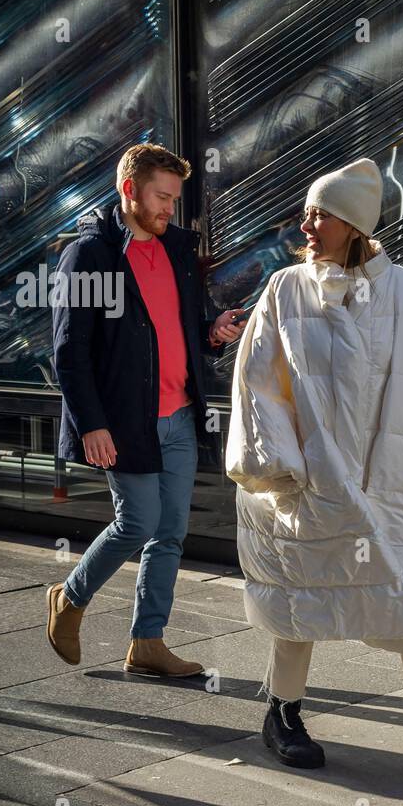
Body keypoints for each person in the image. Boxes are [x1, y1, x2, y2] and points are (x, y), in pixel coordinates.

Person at [227, 158, 403, 782]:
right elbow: (257, 381)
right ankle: (282, 713)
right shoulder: (285, 289)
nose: (307, 223)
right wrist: (275, 463)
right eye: (309, 211)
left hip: (396, 482)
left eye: (320, 213)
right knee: (300, 600)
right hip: (311, 484)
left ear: (353, 223)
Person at [45, 144, 244, 677]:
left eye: (174, 200)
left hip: (178, 414)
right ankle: (70, 597)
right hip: (124, 420)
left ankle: (148, 641)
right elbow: (69, 351)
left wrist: (212, 334)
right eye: (161, 197)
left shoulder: (176, 250)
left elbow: (174, 330)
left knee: (171, 531)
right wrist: (92, 423)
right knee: (137, 523)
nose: (168, 211)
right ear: (129, 189)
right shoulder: (90, 255)